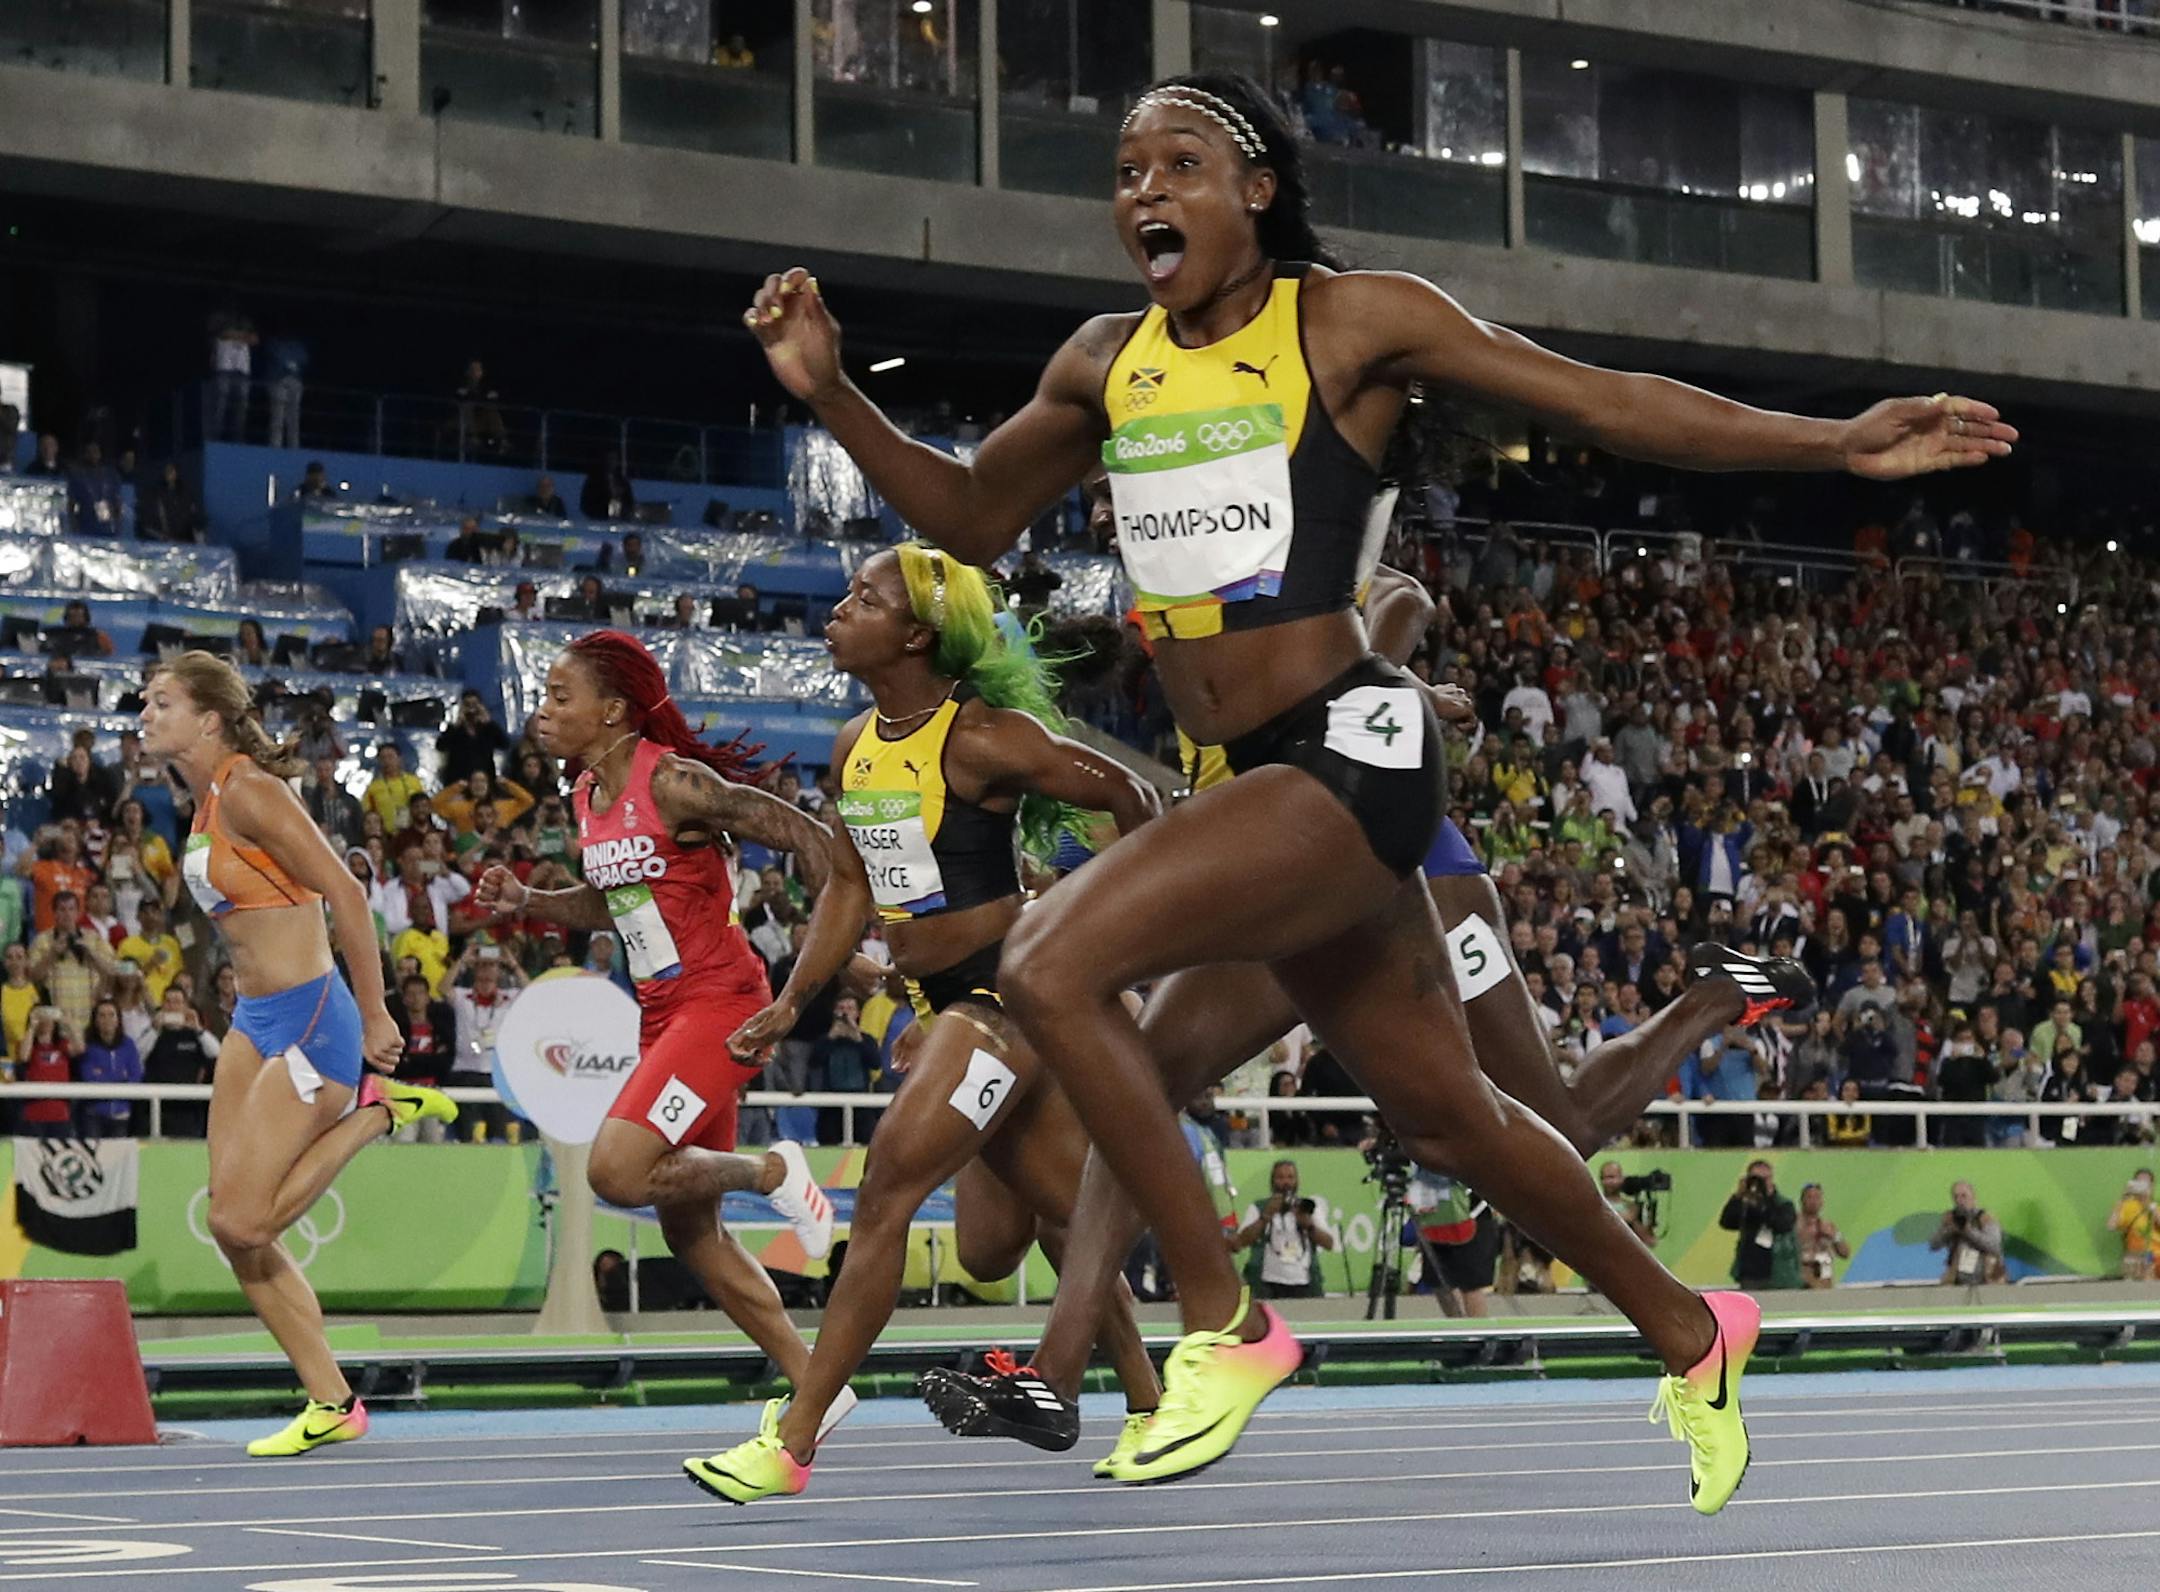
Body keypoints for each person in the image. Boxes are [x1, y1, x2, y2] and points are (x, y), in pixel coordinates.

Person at [746, 70, 2007, 1503]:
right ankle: (1689, 1328)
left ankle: (1227, 1324)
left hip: (1352, 748)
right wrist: (835, 393)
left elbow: (1605, 402)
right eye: (1124, 173)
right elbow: (969, 512)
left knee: (1048, 961)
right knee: (1449, 1116)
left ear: (1258, 191)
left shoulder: (1348, 320)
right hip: (1253, 782)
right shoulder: (1107, 361)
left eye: (1177, 165)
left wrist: (1831, 440)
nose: (1144, 193)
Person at [685, 547, 1164, 1502]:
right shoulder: (856, 742)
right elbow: (854, 886)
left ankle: (792, 1443)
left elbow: (1134, 798)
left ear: (916, 634)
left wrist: (1114, 936)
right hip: (941, 1005)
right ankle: (1153, 1410)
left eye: (864, 599)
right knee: (1020, 1233)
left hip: (1012, 999)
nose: (838, 608)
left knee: (886, 1187)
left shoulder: (986, 737)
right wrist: (791, 1002)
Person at [474, 630, 854, 1440]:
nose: (543, 711)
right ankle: (816, 1390)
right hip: (660, 1012)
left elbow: (810, 839)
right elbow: (614, 901)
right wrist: (531, 904)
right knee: (690, 1231)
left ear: (612, 711)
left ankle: (769, 1168)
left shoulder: (678, 783)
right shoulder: (585, 792)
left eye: (558, 696)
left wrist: (812, 976)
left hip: (720, 1004)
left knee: (617, 1170)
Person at [139, 650, 455, 1456]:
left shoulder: (250, 789)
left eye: (162, 701)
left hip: (317, 1017)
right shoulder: (206, 798)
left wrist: (379, 1013)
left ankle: (377, 1116)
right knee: (235, 1231)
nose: (146, 713)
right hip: (255, 1021)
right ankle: (332, 1400)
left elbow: (345, 893)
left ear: (208, 718)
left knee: (240, 1216)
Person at [1231, 1159, 1336, 1300]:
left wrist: (1308, 1225)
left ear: (1297, 1181)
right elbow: (1241, 1241)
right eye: (1280, 1177)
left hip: (1304, 1283)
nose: (1286, 1182)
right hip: (1267, 1284)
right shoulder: (1259, 1207)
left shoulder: (1308, 1207)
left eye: (1290, 1177)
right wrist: (1265, 1216)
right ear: (1272, 1181)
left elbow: (1329, 1243)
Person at [1718, 1160, 1798, 1291]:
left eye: (1765, 1179)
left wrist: (1763, 1203)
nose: (1761, 1183)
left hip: (1778, 1271)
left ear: (1771, 1179)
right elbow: (1726, 1222)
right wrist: (1738, 1196)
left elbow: (1783, 1225)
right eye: (1756, 1179)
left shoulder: (1783, 1204)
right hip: (1751, 1273)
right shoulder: (1746, 1204)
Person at [75, 998, 141, 1138]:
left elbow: (135, 1075)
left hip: (121, 1115)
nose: (107, 1019)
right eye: (102, 1015)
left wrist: (103, 1075)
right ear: (95, 1020)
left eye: (111, 1015)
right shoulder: (88, 1045)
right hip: (93, 1114)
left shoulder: (128, 1044)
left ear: (118, 1019)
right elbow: (89, 1077)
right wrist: (120, 1077)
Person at [1929, 1179, 2005, 1285]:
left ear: (1973, 1197)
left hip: (1988, 1281)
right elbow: (1933, 1245)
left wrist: (1968, 1231)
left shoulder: (1985, 1218)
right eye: (1956, 1197)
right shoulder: (1951, 1219)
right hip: (1958, 1282)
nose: (1960, 1200)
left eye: (1964, 1196)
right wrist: (1949, 1230)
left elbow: (1994, 1246)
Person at [1793, 1183, 1848, 1290]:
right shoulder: (1793, 1225)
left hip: (1825, 1280)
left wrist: (1835, 1236)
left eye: (1817, 1197)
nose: (1813, 1201)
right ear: (1801, 1200)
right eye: (1810, 1197)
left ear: (1822, 1202)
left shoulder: (1828, 1226)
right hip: (1803, 1281)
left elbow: (1845, 1253)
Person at [2108, 1169, 2157, 1282]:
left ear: (2152, 1185)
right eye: (2139, 1183)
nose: (2142, 1187)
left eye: (2146, 1183)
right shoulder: (2126, 1206)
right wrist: (2122, 1198)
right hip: (2135, 1257)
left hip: (2155, 1256)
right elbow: (2111, 1226)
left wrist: (2149, 1204)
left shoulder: (2155, 1206)